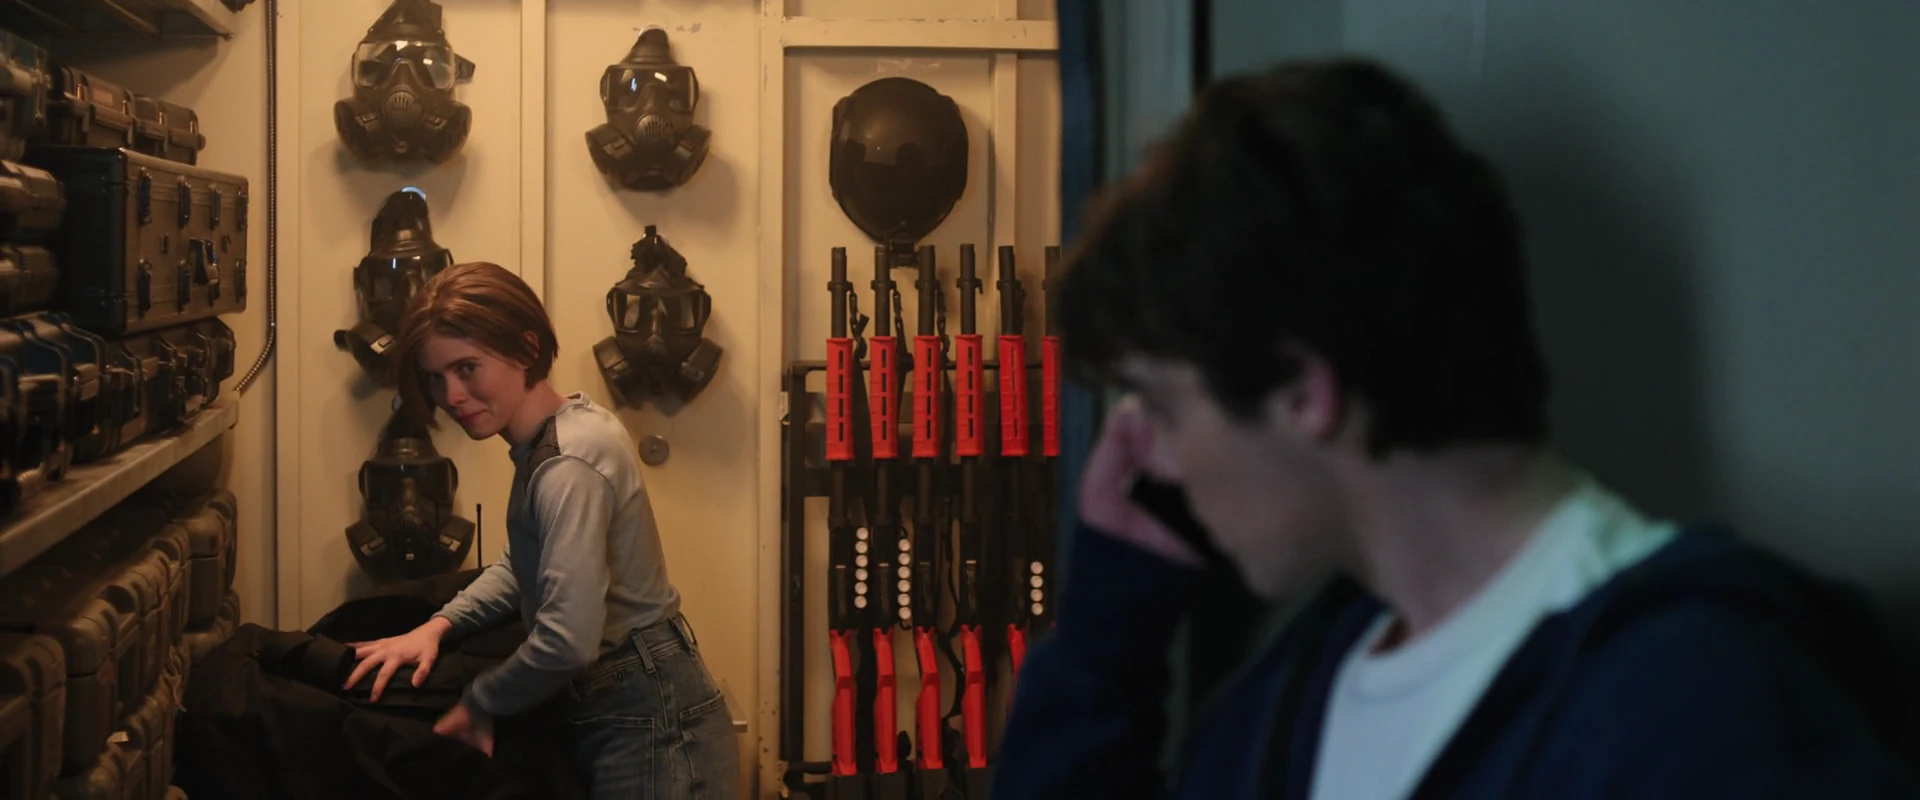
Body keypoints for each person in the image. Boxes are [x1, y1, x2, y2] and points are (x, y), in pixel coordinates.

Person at [994, 59, 1919, 798]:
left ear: (1304, 394)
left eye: (1163, 408)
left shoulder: (1699, 712)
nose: (1151, 458)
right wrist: (1106, 637)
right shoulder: (1294, 700)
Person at [343, 261, 740, 798]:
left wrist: (481, 702)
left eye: (467, 368)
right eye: (435, 377)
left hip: (650, 714)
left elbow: (568, 641)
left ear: (526, 349)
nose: (451, 395)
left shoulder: (566, 463)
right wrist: (439, 625)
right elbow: (521, 565)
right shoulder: (558, 434)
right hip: (630, 699)